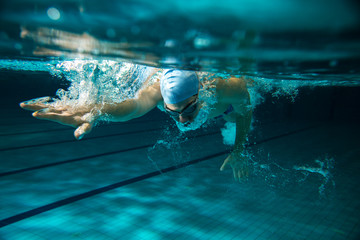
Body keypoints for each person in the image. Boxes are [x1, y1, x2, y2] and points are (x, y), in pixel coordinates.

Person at [20, 69, 252, 181]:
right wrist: (96, 112)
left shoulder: (229, 87)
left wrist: (239, 150)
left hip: (227, 109)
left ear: (200, 94)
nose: (182, 120)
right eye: (172, 113)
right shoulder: (155, 90)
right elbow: (131, 109)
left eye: (189, 109)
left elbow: (245, 113)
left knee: (232, 116)